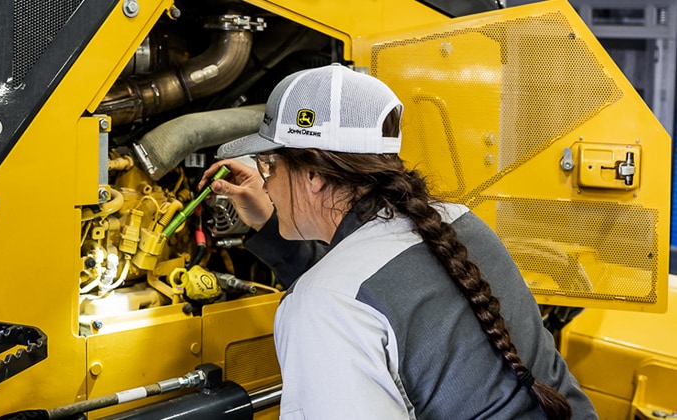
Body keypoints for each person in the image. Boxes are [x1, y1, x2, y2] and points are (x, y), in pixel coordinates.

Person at [199, 63, 597, 419]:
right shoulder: (460, 223)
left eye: (270, 164)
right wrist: (272, 226)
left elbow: (345, 296)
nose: (266, 182)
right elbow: (373, 288)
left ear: (314, 173)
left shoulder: (323, 305)